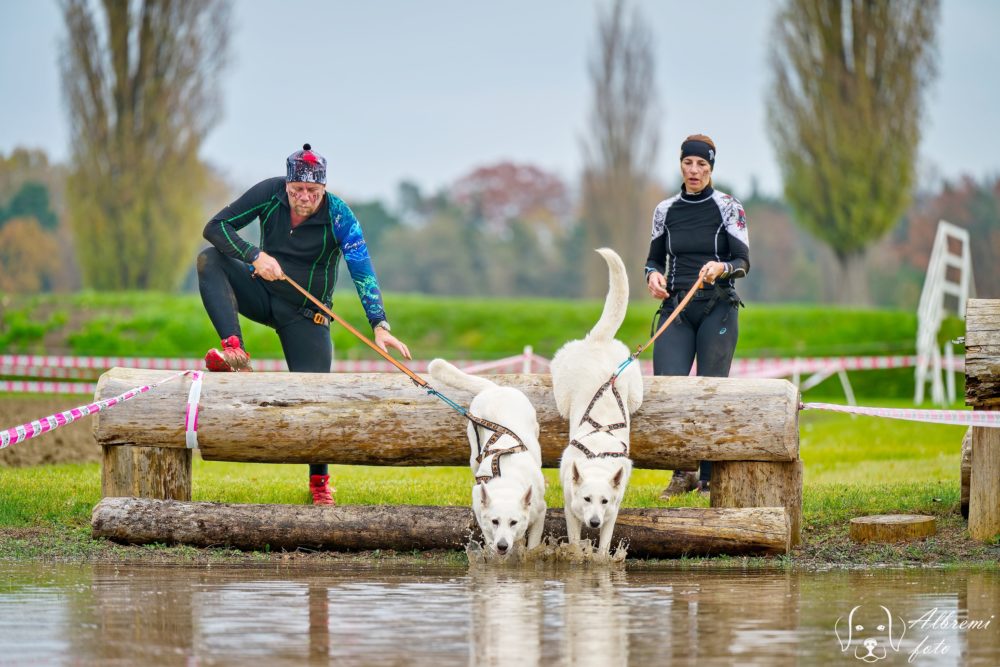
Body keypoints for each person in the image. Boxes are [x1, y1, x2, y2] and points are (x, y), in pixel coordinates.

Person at [197, 143, 411, 505]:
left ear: (324, 189)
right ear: (288, 185)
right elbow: (214, 227)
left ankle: (319, 483)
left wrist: (379, 323)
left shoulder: (340, 215)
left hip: (306, 318)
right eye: (297, 190)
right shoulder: (269, 193)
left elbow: (362, 268)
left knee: (315, 400)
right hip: (262, 293)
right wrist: (254, 255)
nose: (304, 198)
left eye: (313, 192)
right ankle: (235, 350)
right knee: (209, 261)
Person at [644, 134, 749, 498]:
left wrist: (721, 267)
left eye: (702, 164)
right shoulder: (665, 210)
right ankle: (682, 472)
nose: (694, 170)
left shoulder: (728, 207)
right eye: (688, 162)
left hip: (716, 306)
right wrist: (652, 277)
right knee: (669, 391)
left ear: (711, 168)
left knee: (709, 391)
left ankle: (707, 477)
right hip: (677, 309)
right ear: (680, 164)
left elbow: (742, 262)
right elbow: (655, 259)